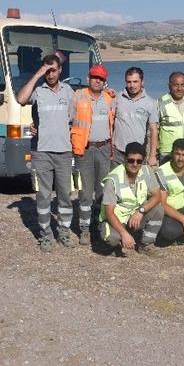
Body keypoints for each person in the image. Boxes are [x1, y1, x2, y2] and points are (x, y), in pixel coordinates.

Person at [15, 54, 76, 252]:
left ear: (60, 71)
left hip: (64, 152)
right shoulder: (38, 91)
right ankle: (46, 235)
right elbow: (20, 98)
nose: (50, 75)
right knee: (43, 195)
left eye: (54, 70)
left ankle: (64, 233)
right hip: (41, 151)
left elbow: (78, 114)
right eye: (47, 71)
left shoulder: (68, 91)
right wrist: (38, 74)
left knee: (65, 195)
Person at [70, 64, 116, 245]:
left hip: (104, 149)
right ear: (88, 78)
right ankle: (84, 229)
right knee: (85, 192)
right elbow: (63, 117)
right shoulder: (77, 96)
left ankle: (99, 225)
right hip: (85, 150)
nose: (98, 80)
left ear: (105, 81)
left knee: (102, 191)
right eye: (95, 77)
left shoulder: (110, 98)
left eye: (101, 78)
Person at [98, 142, 164, 257]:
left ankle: (146, 245)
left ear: (143, 161)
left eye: (139, 161)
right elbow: (109, 212)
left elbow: (157, 196)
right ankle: (115, 241)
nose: (135, 164)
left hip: (134, 216)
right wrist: (123, 233)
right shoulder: (113, 179)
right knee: (113, 239)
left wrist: (141, 211)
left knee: (158, 210)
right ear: (125, 159)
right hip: (114, 220)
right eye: (131, 160)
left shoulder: (147, 171)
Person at [113, 67, 159, 167]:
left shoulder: (150, 103)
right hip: (118, 153)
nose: (132, 85)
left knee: (137, 182)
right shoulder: (117, 98)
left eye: (135, 81)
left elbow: (154, 130)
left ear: (142, 82)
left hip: (137, 155)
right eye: (129, 82)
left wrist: (152, 156)